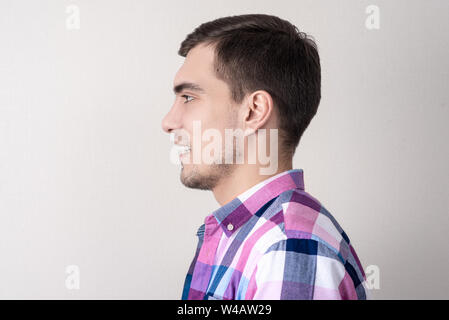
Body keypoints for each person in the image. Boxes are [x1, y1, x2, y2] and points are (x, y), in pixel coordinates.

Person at [161, 13, 368, 300]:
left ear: (254, 111)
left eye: (188, 97)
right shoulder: (244, 234)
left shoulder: (287, 248)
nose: (168, 121)